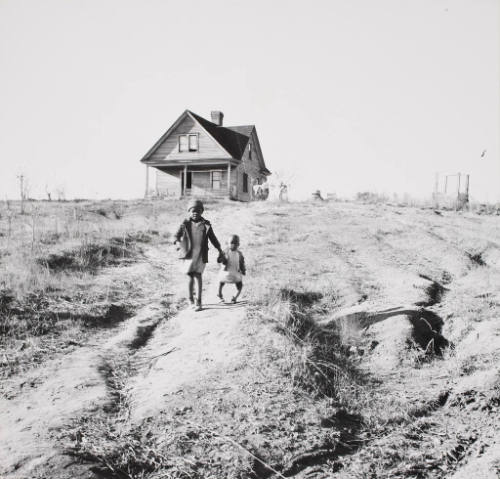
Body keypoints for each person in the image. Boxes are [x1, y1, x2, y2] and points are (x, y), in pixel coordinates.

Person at [174, 199, 223, 311]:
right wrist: (177, 243)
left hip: (201, 255)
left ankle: (199, 301)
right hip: (189, 255)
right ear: (189, 212)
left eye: (198, 211)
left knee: (198, 276)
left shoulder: (206, 225)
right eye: (192, 211)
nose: (195, 213)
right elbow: (176, 236)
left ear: (202, 212)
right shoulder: (185, 224)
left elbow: (213, 239)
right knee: (189, 277)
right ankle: (190, 300)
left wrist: (219, 249)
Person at [217, 234, 246, 303]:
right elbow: (219, 260)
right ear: (227, 243)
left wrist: (243, 270)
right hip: (227, 273)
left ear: (238, 244)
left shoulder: (239, 254)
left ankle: (234, 298)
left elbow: (242, 263)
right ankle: (220, 294)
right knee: (221, 282)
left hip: (234, 274)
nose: (234, 244)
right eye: (232, 243)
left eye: (235, 243)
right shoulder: (226, 252)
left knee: (240, 286)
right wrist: (221, 257)